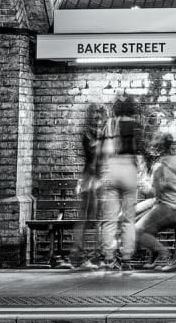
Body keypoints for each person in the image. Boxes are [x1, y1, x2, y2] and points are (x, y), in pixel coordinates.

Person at [135, 130, 176, 272]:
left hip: (169, 208)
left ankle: (165, 255)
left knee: (137, 231)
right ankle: (157, 254)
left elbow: (155, 193)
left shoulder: (159, 168)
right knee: (144, 225)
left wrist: (141, 183)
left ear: (157, 148)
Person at [99, 95, 144, 273]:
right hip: (130, 170)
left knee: (109, 219)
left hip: (112, 167)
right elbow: (141, 150)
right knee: (128, 220)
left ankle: (109, 258)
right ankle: (126, 258)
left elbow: (104, 150)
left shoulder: (110, 124)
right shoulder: (137, 125)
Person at [67, 102, 106, 270]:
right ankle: (83, 256)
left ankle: (82, 256)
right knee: (90, 219)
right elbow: (93, 160)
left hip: (91, 179)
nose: (98, 117)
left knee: (91, 219)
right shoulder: (90, 135)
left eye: (100, 114)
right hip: (91, 180)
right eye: (96, 114)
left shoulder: (94, 134)